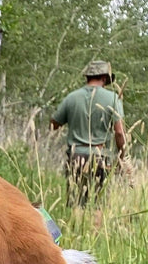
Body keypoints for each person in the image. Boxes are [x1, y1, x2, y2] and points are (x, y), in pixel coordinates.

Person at [51, 61, 126, 204]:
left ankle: (77, 225)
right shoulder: (113, 98)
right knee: (97, 205)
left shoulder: (71, 97)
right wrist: (122, 158)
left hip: (75, 157)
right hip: (100, 157)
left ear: (87, 77)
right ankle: (94, 226)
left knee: (76, 204)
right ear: (104, 78)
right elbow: (119, 133)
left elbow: (53, 123)